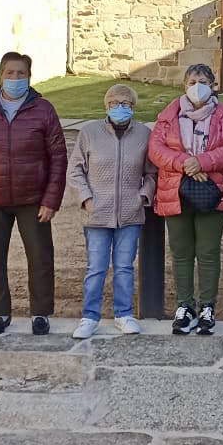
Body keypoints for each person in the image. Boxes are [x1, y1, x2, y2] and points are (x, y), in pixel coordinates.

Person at [0, 51, 67, 336]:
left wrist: (51, 199)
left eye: (21, 73)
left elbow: (58, 157)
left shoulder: (43, 109)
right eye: (10, 73)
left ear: (29, 77)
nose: (15, 78)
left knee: (40, 258)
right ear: (0, 75)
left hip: (33, 200)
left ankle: (40, 313)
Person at [149, 63, 223, 336]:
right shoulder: (168, 115)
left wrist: (201, 162)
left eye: (202, 81)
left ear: (212, 85)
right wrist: (185, 163)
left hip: (211, 190)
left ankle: (207, 306)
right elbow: (156, 149)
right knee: (181, 252)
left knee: (208, 252)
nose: (196, 86)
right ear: (184, 85)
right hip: (175, 190)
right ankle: (184, 306)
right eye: (191, 81)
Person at [68, 83, 156, 339]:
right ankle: (89, 316)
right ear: (106, 106)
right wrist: (86, 199)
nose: (120, 107)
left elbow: (151, 173)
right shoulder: (89, 132)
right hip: (96, 213)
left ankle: (124, 314)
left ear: (133, 107)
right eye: (115, 103)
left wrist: (142, 197)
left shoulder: (143, 134)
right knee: (96, 267)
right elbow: (75, 170)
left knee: (124, 266)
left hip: (130, 213)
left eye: (126, 103)